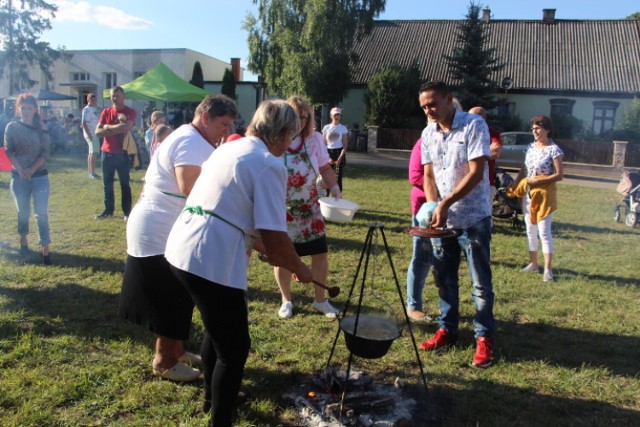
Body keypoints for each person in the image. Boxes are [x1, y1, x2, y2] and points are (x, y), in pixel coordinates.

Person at [165, 100, 313, 426]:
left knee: (217, 333)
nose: (290, 144)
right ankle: (221, 418)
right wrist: (300, 269)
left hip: (183, 248)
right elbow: (275, 238)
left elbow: (236, 214)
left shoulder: (229, 148)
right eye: (292, 136)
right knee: (234, 349)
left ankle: (213, 397)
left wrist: (277, 253)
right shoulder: (268, 164)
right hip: (210, 258)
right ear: (285, 132)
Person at [119, 94, 237, 383]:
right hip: (158, 230)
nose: (226, 130)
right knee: (169, 296)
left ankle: (178, 350)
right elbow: (190, 187)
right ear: (205, 117)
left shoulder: (194, 138)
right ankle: (164, 360)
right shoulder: (190, 142)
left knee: (180, 295)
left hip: (164, 227)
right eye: (223, 123)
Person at [416, 81, 495, 368]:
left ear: (449, 99)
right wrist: (434, 207)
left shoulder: (473, 125)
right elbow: (428, 175)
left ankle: (484, 338)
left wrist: (446, 204)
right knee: (445, 279)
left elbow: (477, 172)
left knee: (480, 284)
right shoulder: (428, 133)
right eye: (424, 106)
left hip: (473, 218)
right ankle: (447, 330)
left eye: (433, 104)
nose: (429, 110)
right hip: (443, 221)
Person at [275, 96, 342, 319]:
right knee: (284, 257)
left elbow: (325, 167)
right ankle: (286, 300)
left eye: (305, 117)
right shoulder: (276, 138)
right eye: (297, 117)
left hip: (310, 208)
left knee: (320, 253)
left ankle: (321, 301)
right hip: (282, 208)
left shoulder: (314, 139)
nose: (301, 121)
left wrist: (335, 188)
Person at [509, 115, 563, 282]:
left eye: (538, 128)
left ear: (547, 129)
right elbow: (524, 169)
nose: (535, 131)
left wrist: (539, 180)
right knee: (530, 229)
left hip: (545, 194)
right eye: (533, 128)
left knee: (543, 231)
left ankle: (548, 269)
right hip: (528, 193)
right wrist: (516, 183)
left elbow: (559, 175)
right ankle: (533, 264)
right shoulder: (530, 147)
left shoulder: (554, 149)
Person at [3, 94, 52, 265]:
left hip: (39, 176)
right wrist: (20, 168)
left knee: (41, 213)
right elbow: (9, 150)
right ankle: (23, 240)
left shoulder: (42, 128)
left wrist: (31, 169)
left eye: (29, 108)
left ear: (35, 109)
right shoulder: (12, 127)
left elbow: (45, 152)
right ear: (18, 109)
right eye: (22, 108)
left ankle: (45, 248)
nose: (25, 111)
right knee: (23, 212)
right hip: (19, 177)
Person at [95, 86, 136, 220]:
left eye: (117, 96)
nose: (115, 99)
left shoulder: (129, 112)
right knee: (107, 183)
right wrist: (114, 128)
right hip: (106, 153)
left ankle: (127, 212)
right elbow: (97, 132)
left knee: (125, 184)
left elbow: (126, 127)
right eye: (113, 96)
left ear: (123, 97)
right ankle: (108, 210)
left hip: (122, 153)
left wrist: (107, 127)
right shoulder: (105, 112)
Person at [406, 136, 434, 322]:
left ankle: (448, 308)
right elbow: (415, 175)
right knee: (422, 258)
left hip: (454, 209)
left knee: (446, 260)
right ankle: (414, 305)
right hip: (425, 211)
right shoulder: (423, 142)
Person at [469, 106, 502, 199]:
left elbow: (495, 151)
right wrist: (485, 152)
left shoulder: (492, 133)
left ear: (482, 118)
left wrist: (470, 156)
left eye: (471, 117)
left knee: (485, 212)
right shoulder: (465, 133)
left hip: (487, 182)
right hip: (466, 181)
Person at [322, 107, 348, 193]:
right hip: (328, 152)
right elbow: (323, 144)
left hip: (339, 152)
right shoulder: (326, 128)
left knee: (339, 177)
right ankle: (326, 197)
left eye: (338, 115)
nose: (336, 117)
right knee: (328, 176)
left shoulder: (343, 128)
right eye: (335, 115)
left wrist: (340, 157)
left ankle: (338, 198)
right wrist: (328, 158)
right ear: (331, 116)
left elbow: (345, 144)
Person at [81, 94, 101, 179]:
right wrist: (89, 135)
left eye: (95, 100)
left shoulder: (94, 109)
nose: (94, 101)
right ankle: (92, 173)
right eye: (92, 100)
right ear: (88, 99)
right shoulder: (87, 110)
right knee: (94, 153)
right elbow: (84, 123)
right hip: (91, 134)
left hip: (95, 133)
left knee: (92, 153)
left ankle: (91, 171)